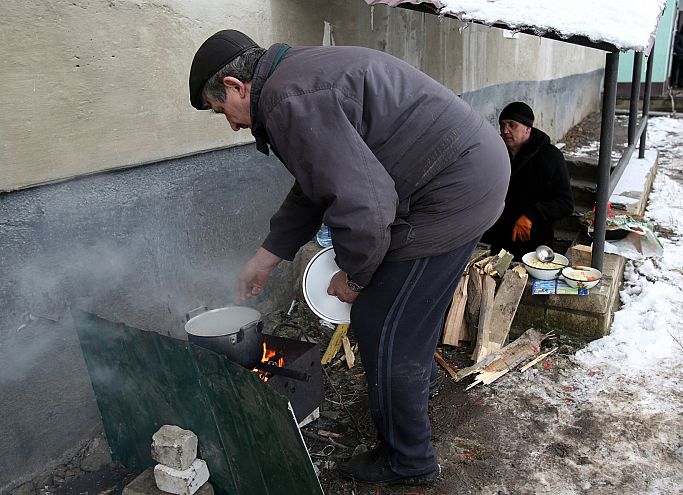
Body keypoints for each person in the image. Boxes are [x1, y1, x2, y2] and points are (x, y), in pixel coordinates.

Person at [188, 30, 509, 486]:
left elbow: (365, 204)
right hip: (467, 172)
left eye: (224, 111)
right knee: (411, 306)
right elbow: (318, 182)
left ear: (239, 87)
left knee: (380, 319)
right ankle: (416, 386)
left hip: (451, 190)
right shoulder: (293, 79)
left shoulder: (288, 99)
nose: (233, 125)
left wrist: (356, 278)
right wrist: (268, 255)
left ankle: (408, 459)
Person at [480, 102, 574, 260]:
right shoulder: (497, 154)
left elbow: (565, 203)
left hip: (532, 244)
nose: (505, 130)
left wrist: (532, 215)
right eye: (502, 125)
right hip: (496, 241)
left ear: (528, 128)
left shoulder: (549, 156)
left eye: (512, 125)